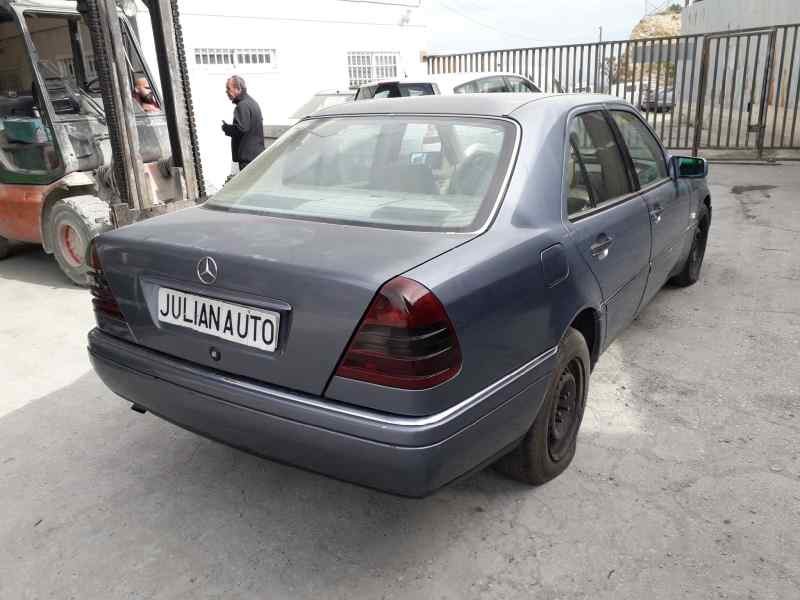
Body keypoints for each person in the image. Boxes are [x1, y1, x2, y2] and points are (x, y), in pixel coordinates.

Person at [222, 75, 265, 171]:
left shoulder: (242, 105)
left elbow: (241, 129)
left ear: (238, 89)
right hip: (256, 155)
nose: (226, 92)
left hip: (248, 158)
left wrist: (227, 128)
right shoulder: (251, 102)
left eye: (228, 88)